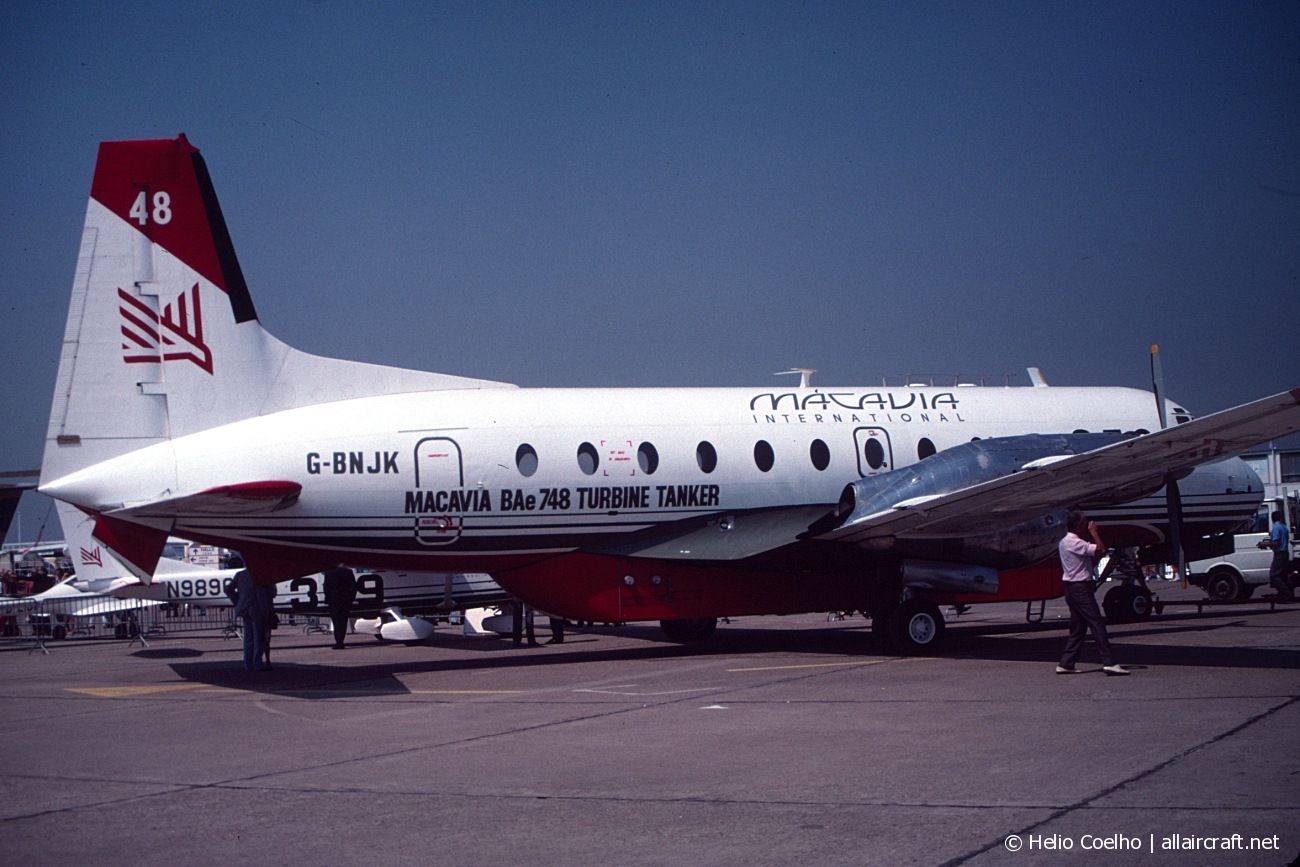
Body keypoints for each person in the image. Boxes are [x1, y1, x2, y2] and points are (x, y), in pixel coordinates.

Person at [1057, 511, 1129, 676]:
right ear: (1079, 526)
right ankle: (1108, 662)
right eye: (1084, 524)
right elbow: (1101, 549)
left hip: (1072, 588)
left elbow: (1091, 559)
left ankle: (1066, 663)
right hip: (1080, 589)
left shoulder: (1064, 542)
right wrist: (1094, 533)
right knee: (1097, 624)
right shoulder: (1075, 542)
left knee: (1078, 627)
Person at [229, 568, 274, 672]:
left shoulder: (240, 575)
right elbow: (272, 592)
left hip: (245, 609)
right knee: (259, 637)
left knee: (248, 638)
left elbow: (228, 589)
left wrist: (238, 601)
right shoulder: (263, 574)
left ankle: (248, 664)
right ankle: (257, 663)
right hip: (259, 609)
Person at [1257, 510, 1294, 601]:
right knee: (1282, 576)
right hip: (1285, 553)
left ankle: (1287, 593)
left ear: (1272, 518)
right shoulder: (1284, 527)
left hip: (1279, 554)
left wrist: (1264, 544)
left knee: (1274, 575)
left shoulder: (1276, 528)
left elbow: (1276, 542)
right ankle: (1284, 596)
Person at [322, 565, 358, 649]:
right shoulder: (348, 571)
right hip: (345, 600)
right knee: (343, 621)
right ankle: (341, 639)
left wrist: (328, 598)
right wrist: (351, 598)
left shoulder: (329, 572)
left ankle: (338, 641)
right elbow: (353, 586)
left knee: (336, 621)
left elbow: (326, 587)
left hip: (334, 600)